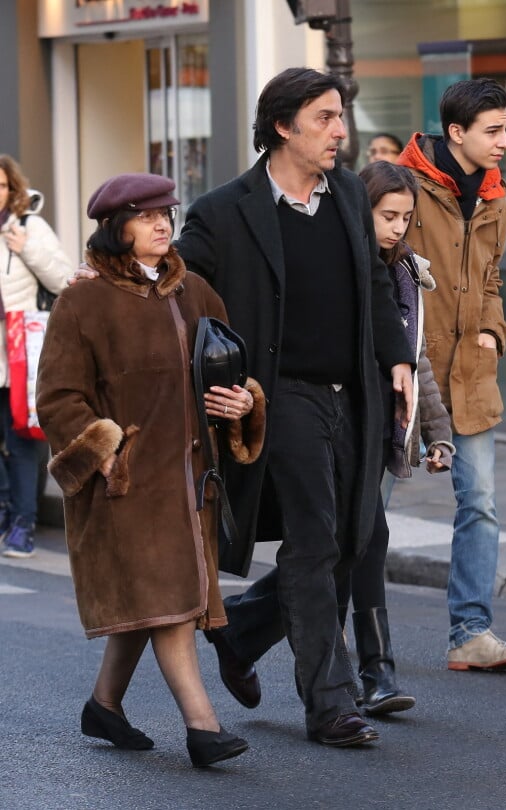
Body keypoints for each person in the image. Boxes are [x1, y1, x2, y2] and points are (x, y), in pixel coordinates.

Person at [174, 67, 416, 747]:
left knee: (354, 538)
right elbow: (180, 292)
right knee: (314, 541)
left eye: (341, 117)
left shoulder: (344, 191)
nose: (341, 131)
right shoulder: (225, 211)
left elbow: (373, 279)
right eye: (325, 118)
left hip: (356, 395)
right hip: (282, 399)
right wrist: (113, 276)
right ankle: (330, 705)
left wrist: (396, 357)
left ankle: (241, 634)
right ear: (283, 126)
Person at [35, 173, 266, 768]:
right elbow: (59, 398)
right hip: (129, 487)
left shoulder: (196, 292)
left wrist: (244, 402)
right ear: (117, 228)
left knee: (155, 600)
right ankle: (203, 726)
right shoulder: (81, 301)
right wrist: (109, 453)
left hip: (193, 481)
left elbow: (230, 367)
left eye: (167, 212)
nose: (163, 223)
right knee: (169, 603)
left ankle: (103, 705)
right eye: (146, 215)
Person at [398, 78, 506, 671]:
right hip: (405, 370)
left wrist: (492, 332)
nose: (505, 140)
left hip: (472, 372)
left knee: (479, 500)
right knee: (363, 510)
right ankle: (338, 634)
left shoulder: (496, 195)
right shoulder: (402, 186)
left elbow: (492, 278)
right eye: (494, 130)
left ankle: (472, 634)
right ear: (456, 132)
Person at [335, 160, 456, 715]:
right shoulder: (340, 261)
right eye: (387, 216)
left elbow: (416, 361)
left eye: (406, 218)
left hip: (384, 426)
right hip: (334, 422)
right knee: (360, 540)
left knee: (356, 543)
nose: (397, 228)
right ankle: (368, 674)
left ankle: (246, 633)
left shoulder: (407, 272)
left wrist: (438, 432)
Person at [0, 154, 71, 559]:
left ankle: (23, 522)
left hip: (19, 351)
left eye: (1, 185)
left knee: (22, 438)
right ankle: (6, 511)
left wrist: (26, 250)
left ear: (13, 190)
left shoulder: (28, 227)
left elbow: (63, 280)